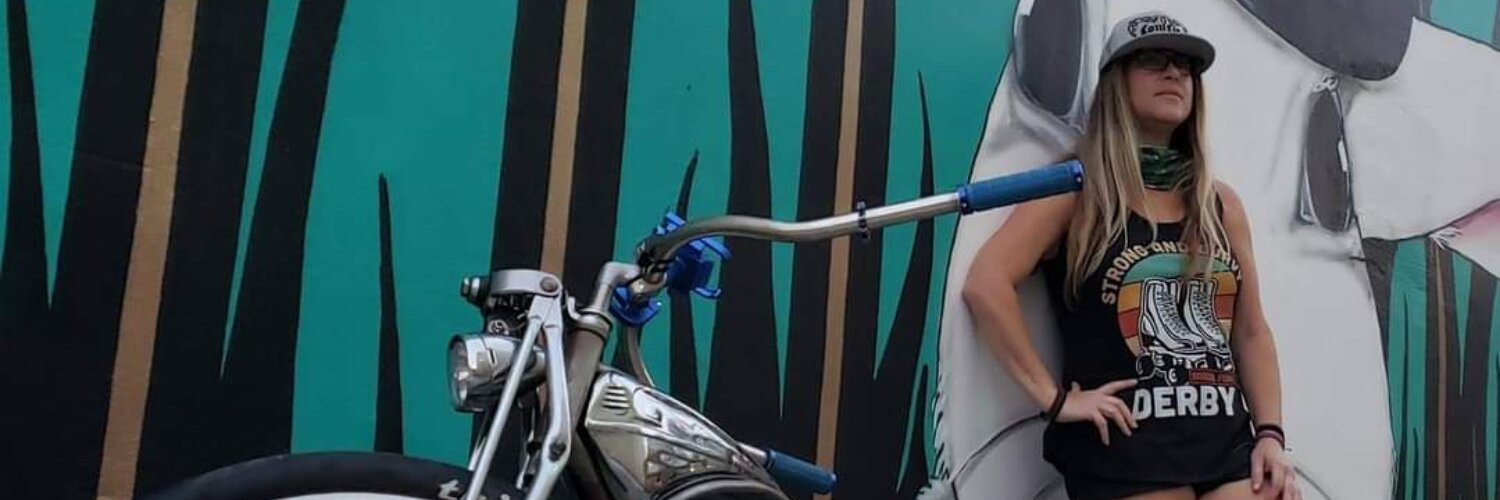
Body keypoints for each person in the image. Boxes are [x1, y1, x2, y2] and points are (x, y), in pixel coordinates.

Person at [961, 11, 1300, 500]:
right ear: (1116, 82)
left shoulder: (1219, 204)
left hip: (1225, 447)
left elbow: (1250, 330)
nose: (1174, 72)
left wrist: (1270, 434)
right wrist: (1053, 399)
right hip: (1124, 453)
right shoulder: (1078, 191)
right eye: (1153, 60)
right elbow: (986, 283)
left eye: (1185, 66)